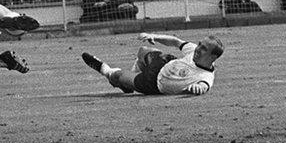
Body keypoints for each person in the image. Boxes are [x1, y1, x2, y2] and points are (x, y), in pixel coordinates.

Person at [81, 32, 224, 95]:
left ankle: (105, 70)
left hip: (154, 83)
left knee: (117, 75)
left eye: (203, 48)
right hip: (165, 62)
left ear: (213, 57)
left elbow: (204, 87)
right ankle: (128, 84)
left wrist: (197, 88)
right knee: (143, 50)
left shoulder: (205, 77)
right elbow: (175, 41)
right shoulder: (193, 50)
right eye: (199, 44)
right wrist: (153, 36)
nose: (198, 49)